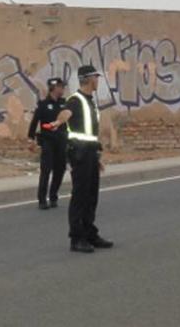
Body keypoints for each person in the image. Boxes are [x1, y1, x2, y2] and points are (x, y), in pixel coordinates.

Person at [49, 65, 113, 253]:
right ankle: (76, 238)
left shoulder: (90, 101)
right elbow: (66, 113)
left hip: (90, 153)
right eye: (96, 77)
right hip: (79, 153)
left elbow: (91, 134)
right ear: (88, 79)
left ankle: (90, 233)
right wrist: (59, 121)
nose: (98, 80)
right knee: (80, 195)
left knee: (92, 196)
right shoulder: (75, 100)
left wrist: (97, 157)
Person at [28, 77, 68, 210]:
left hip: (61, 141)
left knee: (60, 169)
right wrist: (31, 139)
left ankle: (53, 196)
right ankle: (42, 199)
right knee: (46, 170)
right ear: (54, 88)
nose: (63, 89)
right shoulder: (43, 104)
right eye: (61, 87)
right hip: (47, 141)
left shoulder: (64, 103)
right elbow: (34, 122)